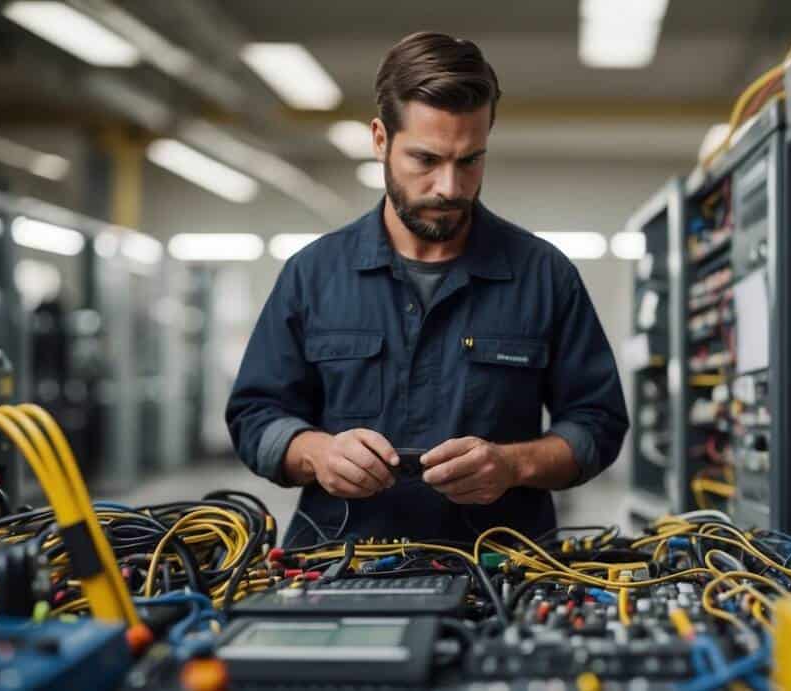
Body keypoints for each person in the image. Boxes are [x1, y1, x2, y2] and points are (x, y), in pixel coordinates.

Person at [226, 31, 628, 546]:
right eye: (426, 160)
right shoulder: (313, 274)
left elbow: (598, 423)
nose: (450, 187)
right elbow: (255, 415)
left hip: (505, 573)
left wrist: (513, 463)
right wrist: (316, 453)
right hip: (337, 566)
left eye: (470, 161)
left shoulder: (544, 274)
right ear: (380, 140)